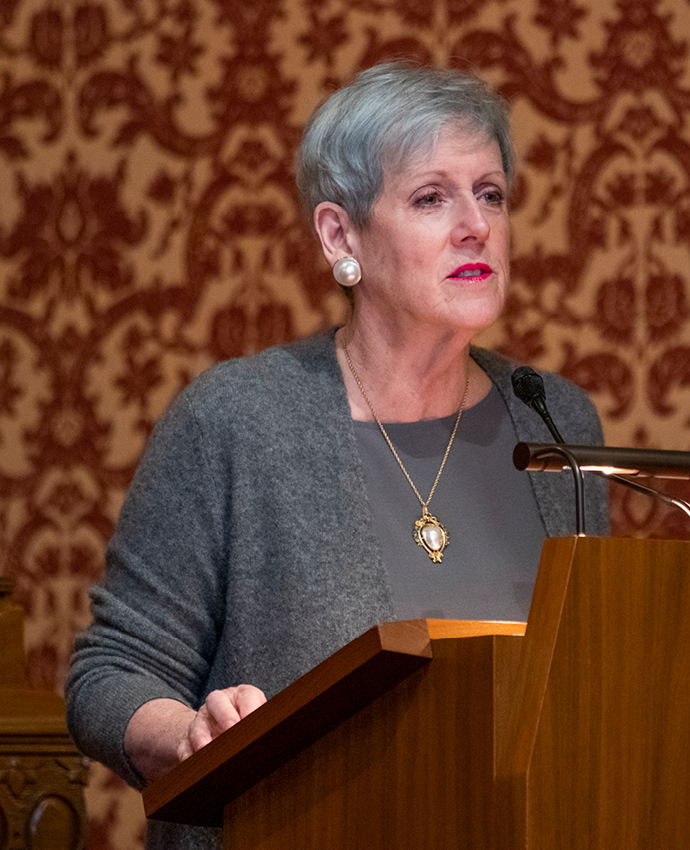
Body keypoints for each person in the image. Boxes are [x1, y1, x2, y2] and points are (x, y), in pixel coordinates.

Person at [66, 61, 607, 850]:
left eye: (490, 194)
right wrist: (190, 733)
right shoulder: (239, 421)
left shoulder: (558, 421)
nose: (476, 225)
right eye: (431, 197)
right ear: (339, 235)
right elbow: (108, 675)